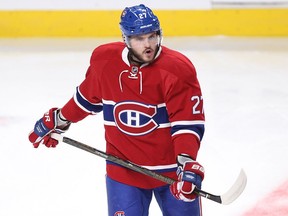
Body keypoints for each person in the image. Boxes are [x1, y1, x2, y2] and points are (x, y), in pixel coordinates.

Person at [29, 4, 205, 216]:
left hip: (171, 173)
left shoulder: (177, 69)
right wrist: (59, 119)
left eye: (152, 36)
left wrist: (186, 164)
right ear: (126, 39)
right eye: (139, 39)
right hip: (124, 170)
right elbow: (86, 99)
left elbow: (186, 122)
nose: (148, 44)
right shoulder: (105, 61)